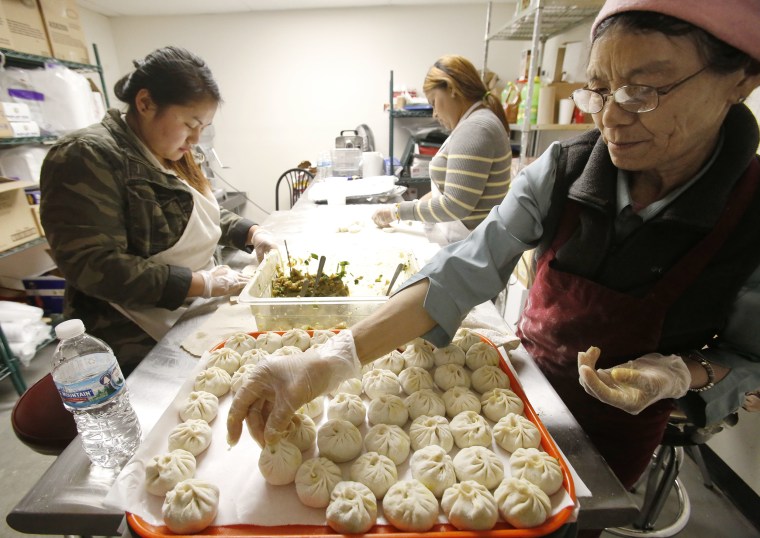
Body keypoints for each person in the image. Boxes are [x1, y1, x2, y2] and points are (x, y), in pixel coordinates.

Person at [229, 0, 760, 526]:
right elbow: (466, 267)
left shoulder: (752, 214)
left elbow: (749, 356)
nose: (612, 118)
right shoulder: (566, 169)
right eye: (597, 89)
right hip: (527, 392)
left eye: (644, 90)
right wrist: (332, 360)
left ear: (742, 79)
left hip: (624, 433)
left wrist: (678, 373)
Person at [41, 46, 277, 376]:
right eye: (191, 123)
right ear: (145, 103)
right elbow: (94, 266)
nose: (196, 138)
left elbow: (196, 213)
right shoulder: (86, 156)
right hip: (132, 341)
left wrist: (253, 234)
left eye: (203, 126)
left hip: (187, 314)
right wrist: (201, 283)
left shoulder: (166, 147)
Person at [372, 55, 512, 244]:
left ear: (451, 89)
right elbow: (446, 191)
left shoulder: (475, 129)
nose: (435, 114)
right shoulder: (476, 123)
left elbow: (455, 205)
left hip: (470, 249)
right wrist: (403, 208)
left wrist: (398, 211)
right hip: (464, 242)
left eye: (434, 102)